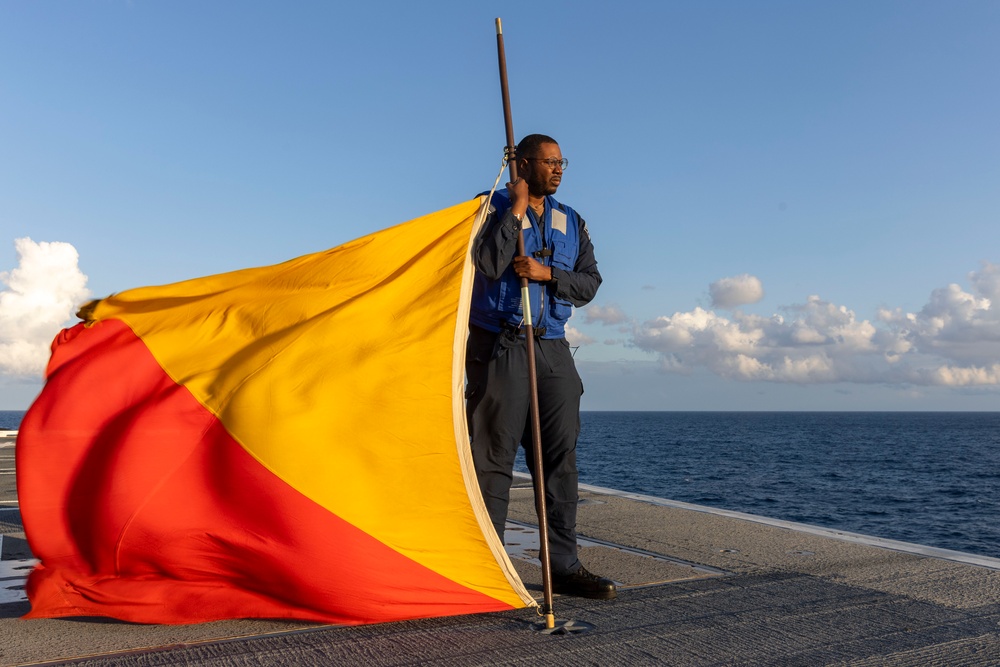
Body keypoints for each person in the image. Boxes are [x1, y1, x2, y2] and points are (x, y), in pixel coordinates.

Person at [466, 134, 615, 600]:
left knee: (559, 462)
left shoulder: (571, 221)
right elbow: (486, 263)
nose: (559, 169)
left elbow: (590, 284)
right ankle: (488, 569)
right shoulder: (487, 207)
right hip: (500, 345)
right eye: (549, 162)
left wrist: (548, 274)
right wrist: (512, 211)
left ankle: (565, 566)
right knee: (492, 461)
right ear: (522, 162)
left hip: (552, 348)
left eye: (561, 162)